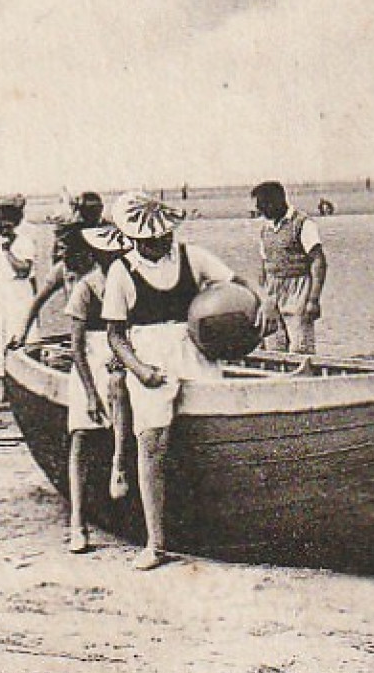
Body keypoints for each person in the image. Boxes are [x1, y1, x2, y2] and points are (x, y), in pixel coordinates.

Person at [104, 191, 268, 571]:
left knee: (215, 430)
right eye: (148, 239)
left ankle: (221, 529)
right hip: (149, 359)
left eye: (162, 236)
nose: (158, 243)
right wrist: (139, 369)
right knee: (152, 444)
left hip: (195, 351)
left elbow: (237, 282)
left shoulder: (192, 256)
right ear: (133, 239)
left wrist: (262, 302)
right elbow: (115, 335)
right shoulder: (121, 271)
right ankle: (156, 543)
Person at [58, 223, 133, 553]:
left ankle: (119, 487)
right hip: (89, 366)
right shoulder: (86, 288)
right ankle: (77, 522)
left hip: (120, 361)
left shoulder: (130, 283)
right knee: (82, 439)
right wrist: (89, 392)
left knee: (126, 431)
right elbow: (76, 347)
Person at [10, 192, 106, 349]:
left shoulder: (100, 267)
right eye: (60, 248)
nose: (60, 252)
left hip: (103, 332)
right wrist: (22, 333)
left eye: (65, 248)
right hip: (81, 333)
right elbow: (37, 302)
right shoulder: (62, 269)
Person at [252, 181, 327, 355]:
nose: (261, 211)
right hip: (272, 289)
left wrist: (313, 300)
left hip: (298, 288)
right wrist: (262, 295)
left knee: (300, 345)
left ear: (276, 202)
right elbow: (263, 263)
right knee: (273, 345)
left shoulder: (303, 224)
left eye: (263, 206)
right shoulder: (265, 228)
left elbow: (318, 262)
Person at [0, 196, 39, 385]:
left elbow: (25, 270)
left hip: (19, 291)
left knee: (19, 331)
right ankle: (0, 378)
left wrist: (7, 252)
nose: (5, 230)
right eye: (1, 226)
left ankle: (20, 379)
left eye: (8, 226)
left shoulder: (25, 242)